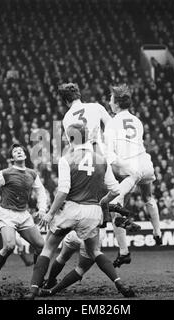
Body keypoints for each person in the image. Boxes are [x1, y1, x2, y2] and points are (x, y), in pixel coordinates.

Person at [25, 123, 135, 299]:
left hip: (72, 209)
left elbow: (63, 192)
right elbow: (115, 190)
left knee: (48, 249)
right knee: (95, 252)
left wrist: (50, 213)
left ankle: (33, 291)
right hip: (93, 212)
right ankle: (119, 283)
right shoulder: (101, 159)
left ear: (70, 138)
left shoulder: (66, 159)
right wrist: (103, 201)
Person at [102, 84, 162, 268]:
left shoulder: (112, 124)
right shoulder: (137, 120)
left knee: (115, 206)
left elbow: (110, 155)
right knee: (148, 197)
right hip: (146, 163)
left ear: (116, 103)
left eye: (111, 99)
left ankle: (124, 250)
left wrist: (118, 166)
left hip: (130, 168)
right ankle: (157, 232)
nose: (109, 102)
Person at [0, 143, 47, 294]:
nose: (18, 152)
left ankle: (36, 281)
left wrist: (42, 210)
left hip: (24, 215)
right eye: (15, 151)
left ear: (25, 155)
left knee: (40, 245)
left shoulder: (32, 174)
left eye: (21, 150)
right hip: (7, 214)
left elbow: (41, 192)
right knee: (10, 246)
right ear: (12, 158)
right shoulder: (5, 173)